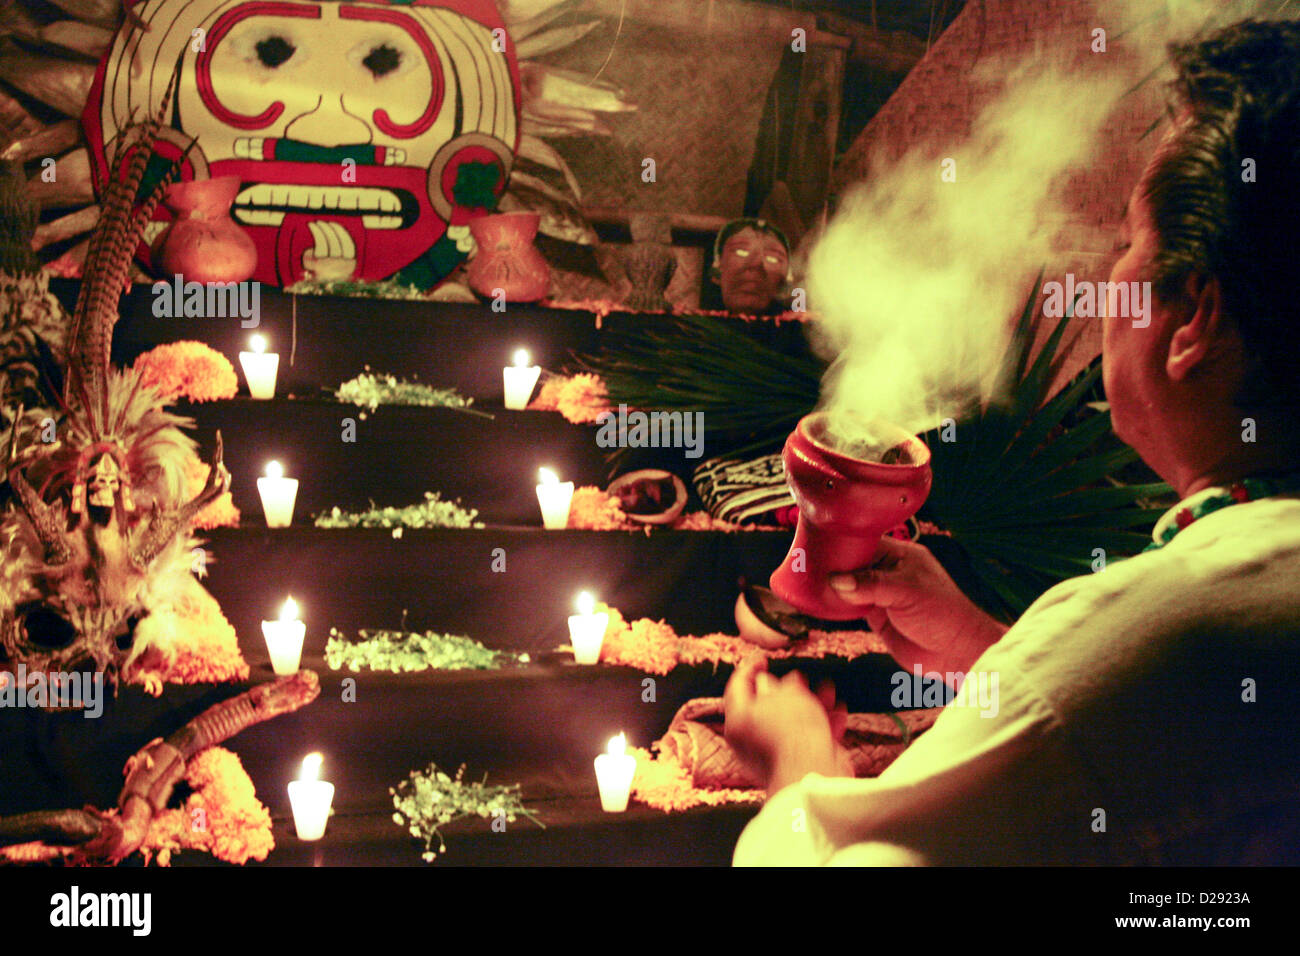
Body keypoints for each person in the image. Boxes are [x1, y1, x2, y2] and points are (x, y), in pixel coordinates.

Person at [724, 18, 1300, 865]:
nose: (1108, 279)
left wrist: (802, 763)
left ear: (1194, 322)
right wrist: (986, 652)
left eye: (1126, 245)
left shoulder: (1180, 624)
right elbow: (1141, 744)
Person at [706, 218, 792, 315]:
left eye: (772, 258)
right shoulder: (689, 327)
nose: (756, 264)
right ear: (718, 264)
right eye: (741, 252)